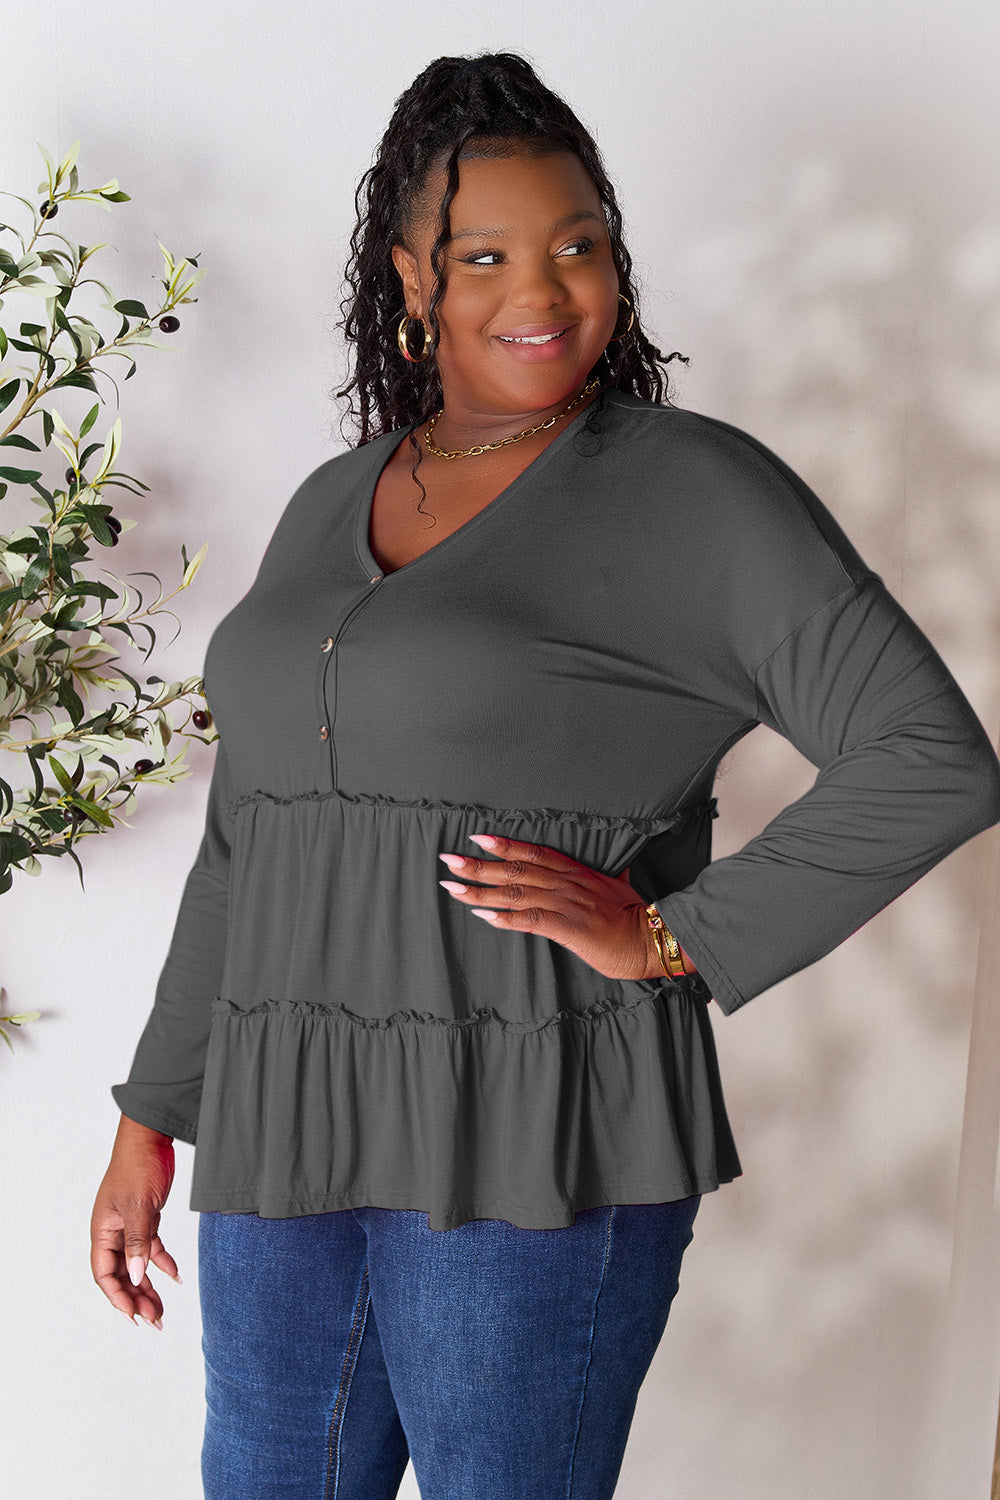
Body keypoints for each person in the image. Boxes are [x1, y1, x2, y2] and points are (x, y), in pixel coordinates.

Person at [90, 51, 1000, 1500]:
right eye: (488, 254)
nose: (545, 288)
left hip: (532, 1129)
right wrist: (155, 1114)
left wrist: (667, 935)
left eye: (582, 245)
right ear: (410, 276)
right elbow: (250, 839)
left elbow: (933, 758)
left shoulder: (696, 492)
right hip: (286, 1120)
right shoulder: (339, 494)